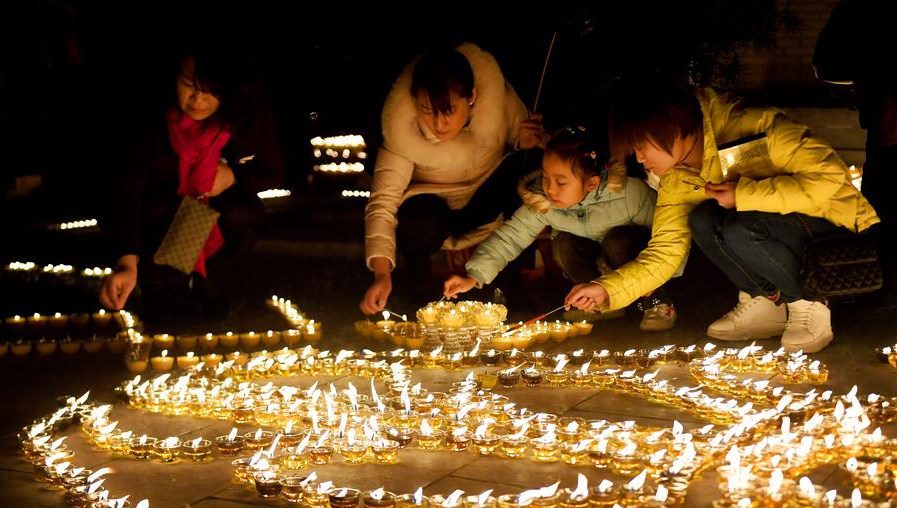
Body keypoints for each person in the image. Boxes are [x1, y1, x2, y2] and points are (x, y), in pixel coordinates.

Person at [565, 79, 879, 353]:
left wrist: (744, 194)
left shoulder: (752, 128)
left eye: (642, 146)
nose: (641, 159)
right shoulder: (677, 178)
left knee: (741, 226)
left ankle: (808, 301)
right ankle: (765, 303)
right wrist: (607, 289)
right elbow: (666, 252)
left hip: (837, 230)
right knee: (702, 219)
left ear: (673, 124)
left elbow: (830, 179)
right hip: (776, 230)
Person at [99, 44, 285, 321]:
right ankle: (162, 283)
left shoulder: (247, 113)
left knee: (241, 213)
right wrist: (127, 261)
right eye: (189, 86)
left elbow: (273, 170)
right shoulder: (151, 117)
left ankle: (210, 278)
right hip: (163, 211)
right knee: (167, 303)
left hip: (216, 208)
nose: (198, 100)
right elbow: (128, 186)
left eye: (210, 90)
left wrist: (234, 174)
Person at [360, 43, 544, 315]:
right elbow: (382, 203)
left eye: (449, 111)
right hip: (433, 212)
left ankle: (513, 282)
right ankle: (419, 288)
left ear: (472, 97)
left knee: (527, 169)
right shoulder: (403, 130)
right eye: (428, 110)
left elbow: (540, 151)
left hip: (484, 199)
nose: (439, 124)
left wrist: (526, 144)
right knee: (417, 222)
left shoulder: (499, 104)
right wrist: (381, 273)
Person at [443, 127, 677, 331]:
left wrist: (658, 280)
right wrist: (473, 276)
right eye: (545, 178)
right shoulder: (544, 202)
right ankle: (597, 304)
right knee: (563, 243)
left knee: (618, 241)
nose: (550, 189)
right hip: (600, 263)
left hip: (636, 264)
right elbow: (511, 237)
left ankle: (657, 302)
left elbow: (669, 240)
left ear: (592, 183)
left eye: (561, 182)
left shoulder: (628, 194)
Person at [814, 0, 897, 310]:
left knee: (884, 207)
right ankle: (884, 287)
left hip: (887, 136)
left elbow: (827, 62)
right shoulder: (857, 12)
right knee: (882, 209)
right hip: (885, 135)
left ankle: (886, 288)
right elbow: (828, 62)